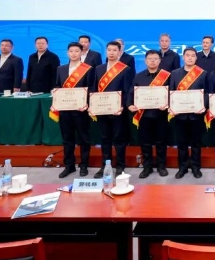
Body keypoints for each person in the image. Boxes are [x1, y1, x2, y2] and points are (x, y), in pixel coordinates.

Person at [51, 42, 95, 178]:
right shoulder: (61, 69)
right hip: (65, 110)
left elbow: (91, 88)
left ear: (82, 53)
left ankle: (84, 165)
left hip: (81, 110)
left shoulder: (88, 69)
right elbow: (57, 86)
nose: (74, 54)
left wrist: (87, 103)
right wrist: (55, 94)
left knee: (84, 139)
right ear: (67, 53)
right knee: (67, 139)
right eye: (71, 51)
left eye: (77, 51)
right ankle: (69, 166)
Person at [91, 41, 134, 178]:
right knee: (105, 139)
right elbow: (94, 89)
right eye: (109, 50)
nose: (111, 52)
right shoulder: (99, 69)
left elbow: (127, 91)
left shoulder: (125, 69)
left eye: (115, 50)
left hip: (118, 111)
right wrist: (92, 105)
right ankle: (105, 165)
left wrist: (122, 106)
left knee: (119, 139)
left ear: (119, 52)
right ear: (106, 51)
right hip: (102, 110)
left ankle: (120, 166)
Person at [127, 50, 171, 179]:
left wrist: (168, 104)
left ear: (160, 60)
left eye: (155, 58)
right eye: (150, 59)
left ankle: (161, 166)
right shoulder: (138, 76)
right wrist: (129, 105)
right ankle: (147, 167)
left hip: (161, 114)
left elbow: (171, 93)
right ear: (145, 61)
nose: (152, 61)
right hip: (144, 115)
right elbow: (131, 92)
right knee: (145, 142)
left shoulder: (167, 76)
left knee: (161, 142)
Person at [169, 47, 208, 179]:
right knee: (182, 143)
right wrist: (172, 106)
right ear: (183, 57)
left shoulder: (202, 73)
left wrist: (203, 106)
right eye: (187, 55)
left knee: (196, 143)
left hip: (196, 114)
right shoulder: (175, 73)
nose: (190, 58)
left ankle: (196, 167)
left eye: (193, 55)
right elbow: (171, 92)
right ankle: (183, 167)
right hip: (180, 115)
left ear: (196, 58)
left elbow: (206, 93)